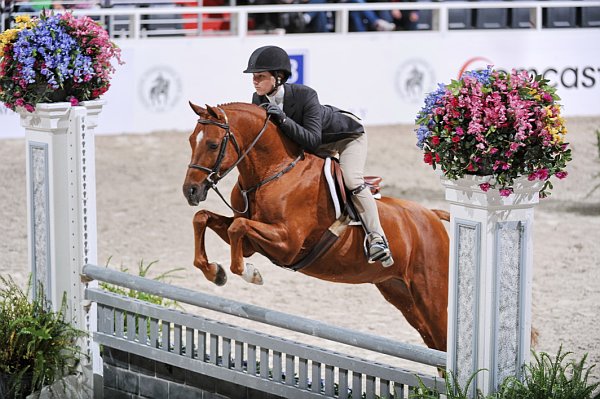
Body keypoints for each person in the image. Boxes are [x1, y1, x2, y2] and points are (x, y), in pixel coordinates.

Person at [243, 45, 394, 267]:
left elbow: (313, 140)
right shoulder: (259, 100)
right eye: (254, 77)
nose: (255, 81)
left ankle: (377, 238)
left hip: (346, 137)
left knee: (351, 180)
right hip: (312, 143)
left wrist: (283, 119)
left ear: (278, 77)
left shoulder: (305, 95)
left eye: (261, 76)